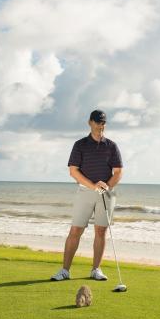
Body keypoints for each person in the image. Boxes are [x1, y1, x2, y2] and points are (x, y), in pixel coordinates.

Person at [51, 109, 123, 282]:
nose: (101, 125)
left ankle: (96, 270)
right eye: (98, 122)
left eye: (103, 122)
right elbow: (73, 172)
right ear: (90, 122)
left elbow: (118, 171)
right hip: (85, 192)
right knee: (76, 229)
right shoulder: (80, 145)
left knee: (101, 231)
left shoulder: (111, 146)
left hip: (106, 193)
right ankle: (65, 271)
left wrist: (107, 186)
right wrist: (93, 186)